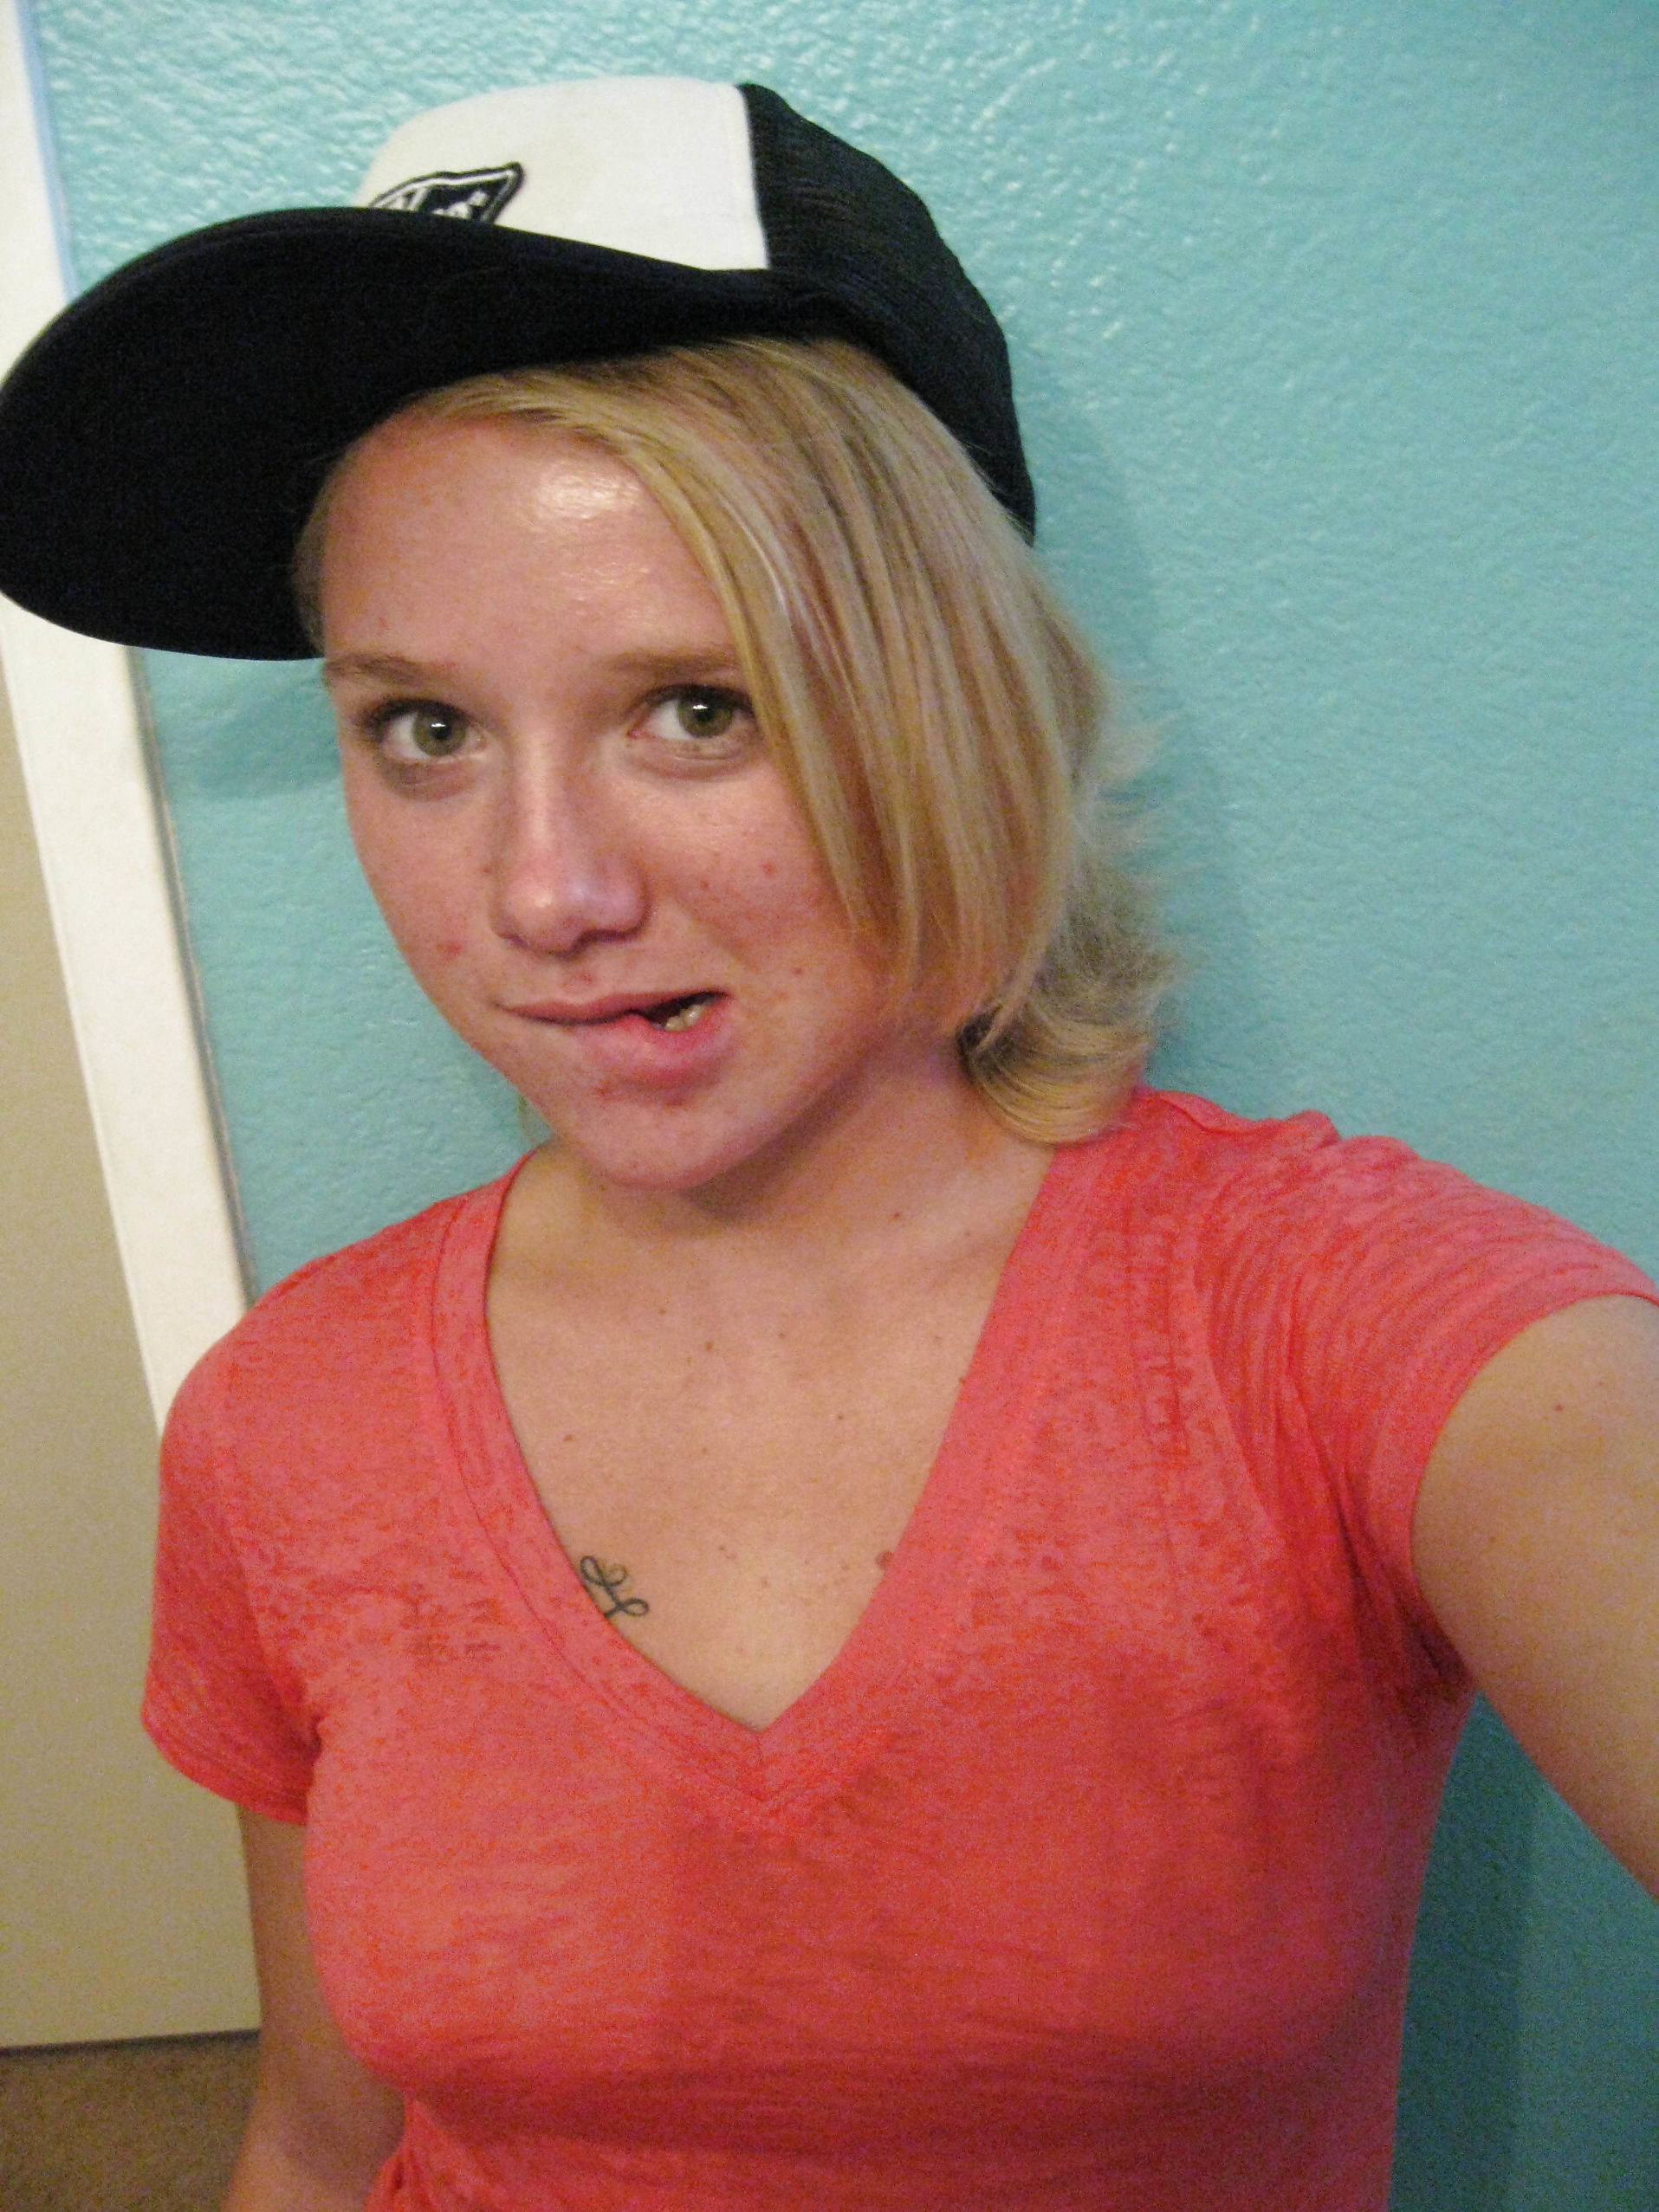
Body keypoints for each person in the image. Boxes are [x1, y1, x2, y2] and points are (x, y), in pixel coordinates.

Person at [1, 74, 1656, 2212]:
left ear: (953, 704)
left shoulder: (1341, 1328)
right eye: (424, 728)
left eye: (699, 706)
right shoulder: (281, 1418)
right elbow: (320, 2141)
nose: (543, 891)